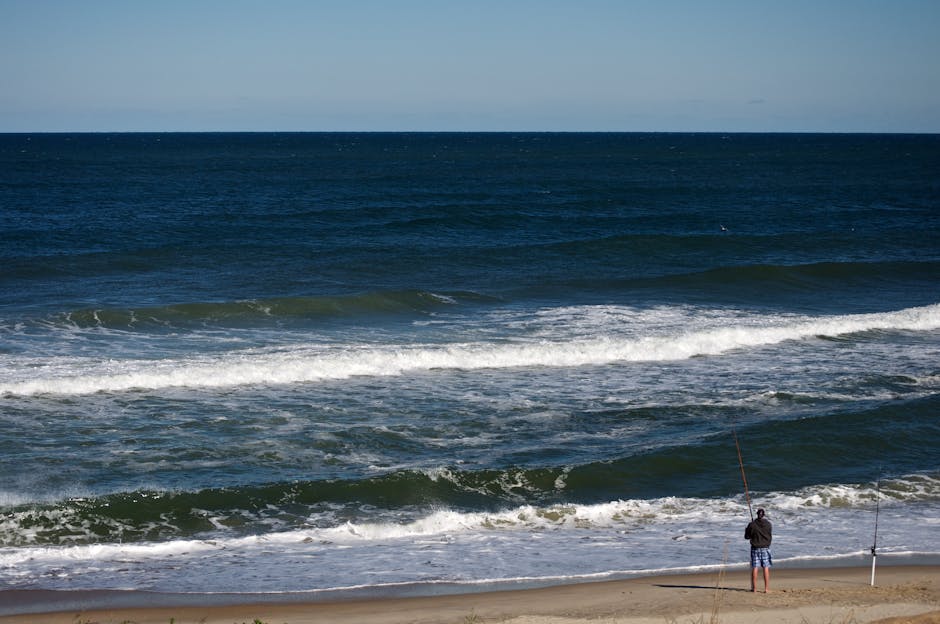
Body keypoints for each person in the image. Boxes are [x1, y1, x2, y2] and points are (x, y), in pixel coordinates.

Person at [744, 508, 772, 592]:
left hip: (755, 548)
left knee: (755, 567)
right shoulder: (768, 524)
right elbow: (769, 536)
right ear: (763, 515)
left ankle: (754, 588)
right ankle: (766, 589)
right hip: (765, 548)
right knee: (765, 568)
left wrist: (748, 529)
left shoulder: (752, 524)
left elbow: (747, 537)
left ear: (757, 514)